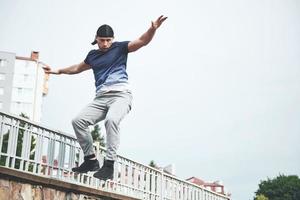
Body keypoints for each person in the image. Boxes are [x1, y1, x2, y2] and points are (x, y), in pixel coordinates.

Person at [43, 15, 167, 181]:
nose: (106, 44)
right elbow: (77, 68)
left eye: (109, 40)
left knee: (111, 120)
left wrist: (152, 29)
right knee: (78, 121)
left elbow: (142, 41)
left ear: (113, 39)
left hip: (121, 96)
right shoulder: (92, 56)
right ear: (96, 39)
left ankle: (109, 165)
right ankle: (91, 160)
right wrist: (58, 71)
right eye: (102, 40)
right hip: (100, 99)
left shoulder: (121, 48)